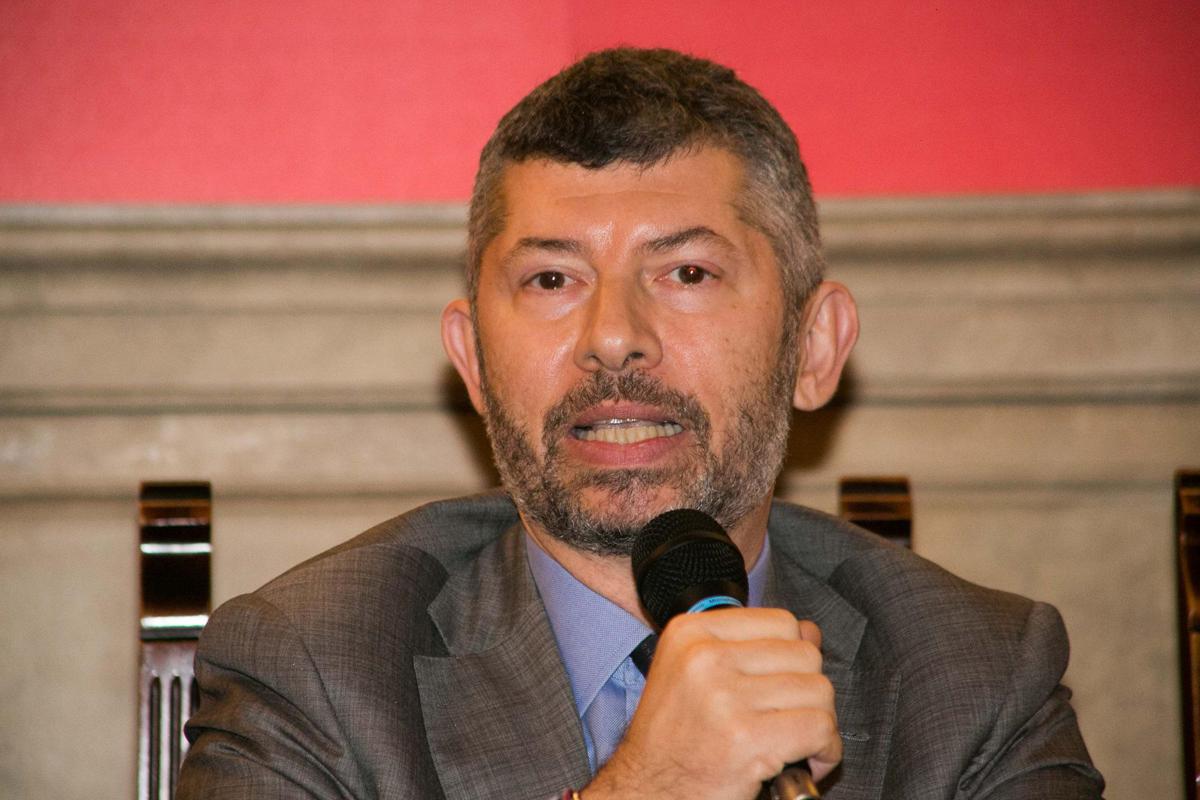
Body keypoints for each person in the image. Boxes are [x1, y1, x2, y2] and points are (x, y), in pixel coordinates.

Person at [178, 48, 1103, 799]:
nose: (613, 337)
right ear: (474, 362)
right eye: (552, 279)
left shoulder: (981, 675)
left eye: (687, 273)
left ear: (814, 347)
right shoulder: (313, 667)